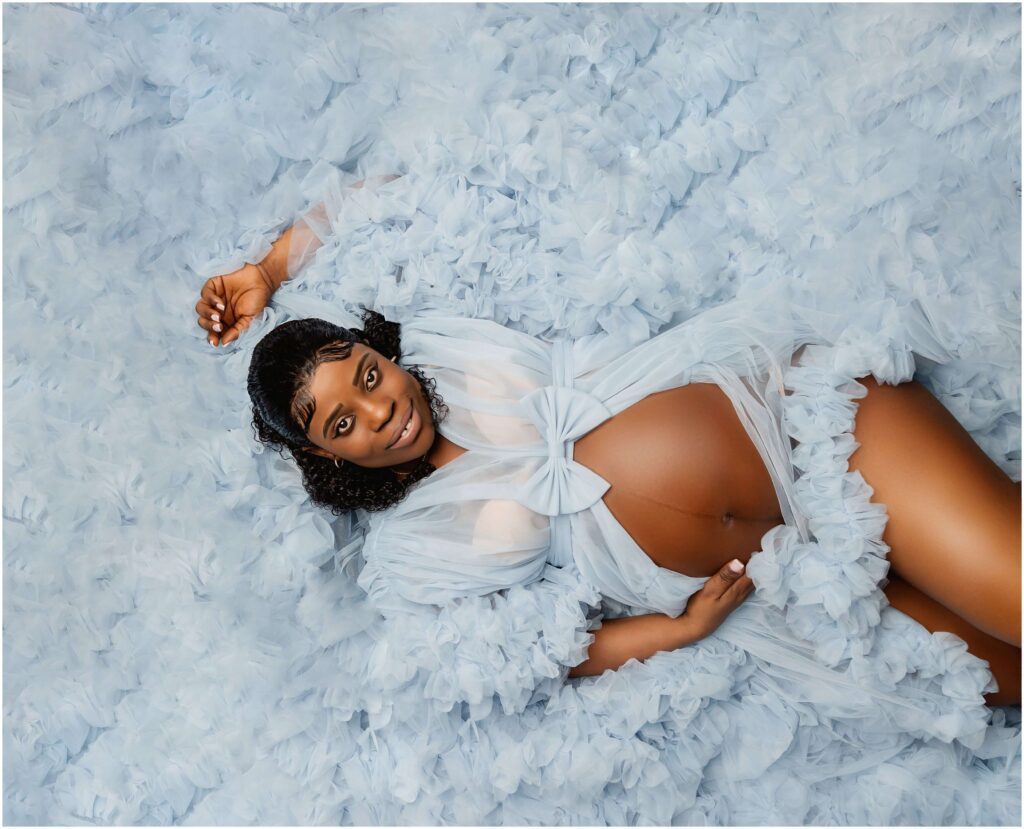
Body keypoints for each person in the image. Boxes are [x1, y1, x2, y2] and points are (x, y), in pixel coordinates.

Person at [195, 172, 1021, 710]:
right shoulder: (412, 556)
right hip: (796, 582)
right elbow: (525, 656)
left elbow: (374, 202)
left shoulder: (440, 333)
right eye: (343, 423)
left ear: (378, 348)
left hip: (813, 437)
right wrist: (674, 632)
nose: (378, 411)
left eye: (367, 375)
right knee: (996, 681)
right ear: (328, 459)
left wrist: (267, 274)